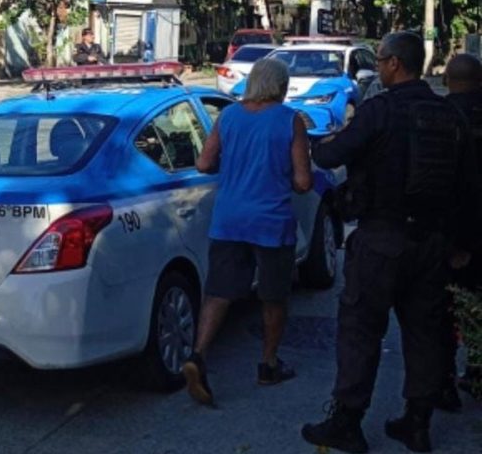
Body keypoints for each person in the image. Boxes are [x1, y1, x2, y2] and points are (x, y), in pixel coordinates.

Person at [301, 32, 477, 454]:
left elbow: (329, 157)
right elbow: (469, 188)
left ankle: (347, 420)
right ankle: (418, 422)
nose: (377, 66)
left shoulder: (379, 111)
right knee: (425, 333)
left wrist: (328, 141)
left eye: (380, 59)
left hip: (382, 238)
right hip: (433, 243)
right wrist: (462, 242)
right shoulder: (450, 116)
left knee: (361, 330)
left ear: (395, 64)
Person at [184, 58, 313, 407]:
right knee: (273, 296)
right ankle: (268, 365)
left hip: (228, 219)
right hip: (271, 222)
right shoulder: (290, 121)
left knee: (218, 292)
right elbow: (303, 181)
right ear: (281, 86)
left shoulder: (228, 117)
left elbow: (204, 164)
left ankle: (198, 355)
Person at [441, 54, 482, 406]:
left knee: (444, 308)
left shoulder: (439, 116)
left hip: (450, 230)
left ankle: (443, 381)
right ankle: (476, 370)